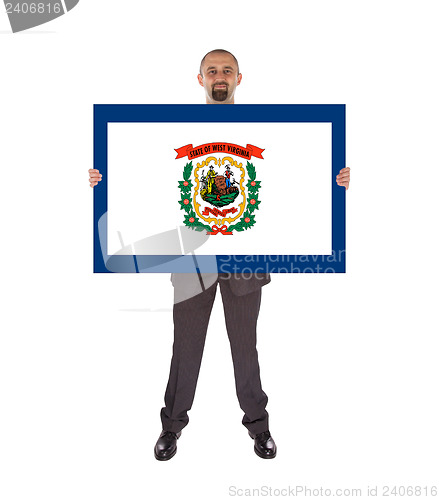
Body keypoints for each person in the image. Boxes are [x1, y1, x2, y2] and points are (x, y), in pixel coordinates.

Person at [88, 49, 351, 461]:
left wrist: (333, 179)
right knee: (186, 349)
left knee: (245, 350)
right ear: (200, 80)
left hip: (246, 263)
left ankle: (258, 427)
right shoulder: (169, 133)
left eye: (227, 70)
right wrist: (106, 178)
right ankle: (171, 427)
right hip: (192, 263)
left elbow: (296, 178)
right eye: (212, 70)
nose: (219, 76)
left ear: (239, 78)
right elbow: (142, 177)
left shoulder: (270, 133)